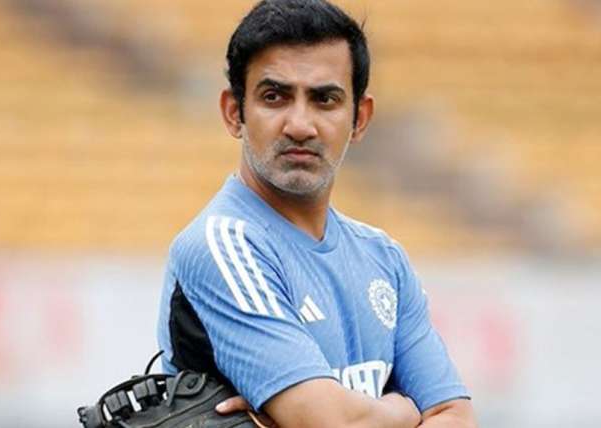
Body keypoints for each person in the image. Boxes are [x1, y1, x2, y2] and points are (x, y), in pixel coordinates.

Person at [157, 0, 476, 427]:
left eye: (324, 99)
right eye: (274, 97)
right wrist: (403, 410)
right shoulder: (224, 245)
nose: (300, 125)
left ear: (359, 119)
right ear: (234, 112)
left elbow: (456, 416)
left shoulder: (383, 258)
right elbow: (331, 424)